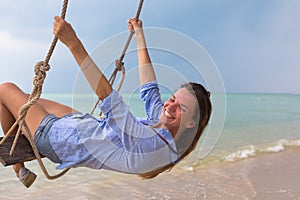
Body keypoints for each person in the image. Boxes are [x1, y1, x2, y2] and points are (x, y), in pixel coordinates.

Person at [0, 17, 212, 188]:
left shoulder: (152, 145)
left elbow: (109, 98)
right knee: (23, 99)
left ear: (192, 122)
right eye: (173, 99)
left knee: (4, 90)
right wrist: (140, 36)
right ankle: (20, 162)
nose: (170, 106)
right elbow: (150, 91)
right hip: (84, 127)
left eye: (181, 108)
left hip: (61, 140)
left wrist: (73, 42)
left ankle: (18, 168)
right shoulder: (170, 134)